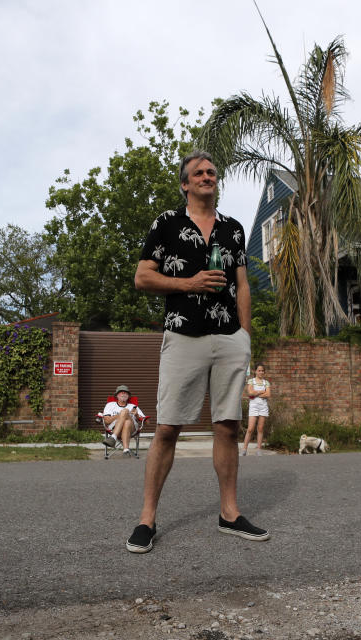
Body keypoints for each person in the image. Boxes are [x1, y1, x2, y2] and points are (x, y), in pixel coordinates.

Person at [127, 149, 270, 553]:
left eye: (212, 171)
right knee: (169, 427)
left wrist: (244, 335)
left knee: (227, 425)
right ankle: (147, 520)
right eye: (199, 173)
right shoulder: (167, 225)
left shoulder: (234, 229)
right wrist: (188, 284)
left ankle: (229, 513)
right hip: (183, 336)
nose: (208, 176)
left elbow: (242, 284)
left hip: (228, 338)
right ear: (185, 184)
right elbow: (142, 277)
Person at [102, 385, 146, 457]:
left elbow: (147, 422)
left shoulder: (133, 406)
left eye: (125, 393)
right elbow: (106, 421)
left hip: (131, 430)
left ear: (128, 396)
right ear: (117, 395)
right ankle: (126, 449)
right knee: (126, 421)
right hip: (114, 428)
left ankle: (113, 437)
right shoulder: (110, 405)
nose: (123, 394)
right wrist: (120, 415)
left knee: (125, 413)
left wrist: (137, 415)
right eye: (121, 392)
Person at [242, 363, 270, 456]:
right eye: (259, 370)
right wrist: (262, 391)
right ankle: (244, 449)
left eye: (262, 371)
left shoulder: (266, 382)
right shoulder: (251, 381)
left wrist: (256, 393)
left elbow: (268, 394)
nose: (261, 372)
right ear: (255, 371)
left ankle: (259, 449)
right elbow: (250, 393)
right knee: (250, 429)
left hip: (263, 407)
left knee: (260, 428)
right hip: (253, 406)